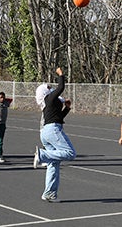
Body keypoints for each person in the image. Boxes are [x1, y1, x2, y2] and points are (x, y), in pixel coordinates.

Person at [34, 67, 76, 202]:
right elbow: (61, 87)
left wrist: (67, 108)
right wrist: (61, 74)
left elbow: (59, 117)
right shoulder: (49, 99)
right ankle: (42, 155)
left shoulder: (50, 104)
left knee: (54, 164)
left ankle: (49, 193)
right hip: (52, 130)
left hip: (47, 131)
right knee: (70, 153)